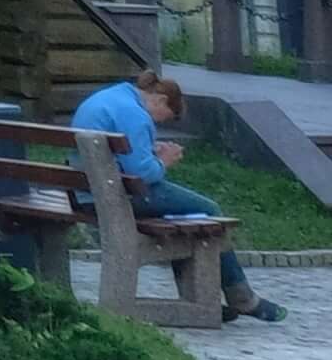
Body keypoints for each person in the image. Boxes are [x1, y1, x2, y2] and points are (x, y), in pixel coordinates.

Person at [72, 45, 280, 320]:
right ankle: (241, 297)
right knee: (209, 211)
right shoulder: (137, 114)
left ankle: (203, 297)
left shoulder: (112, 97)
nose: (159, 123)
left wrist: (149, 150)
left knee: (188, 215)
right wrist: (165, 160)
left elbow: (123, 153)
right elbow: (143, 175)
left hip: (89, 191)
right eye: (165, 117)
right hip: (117, 197)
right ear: (159, 100)